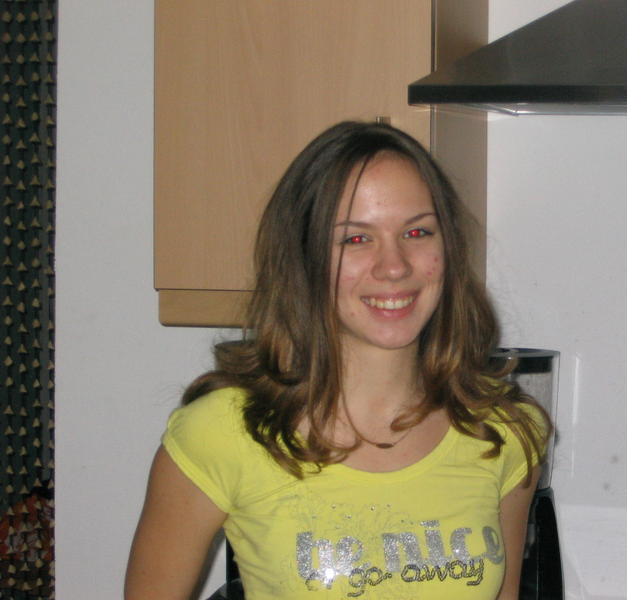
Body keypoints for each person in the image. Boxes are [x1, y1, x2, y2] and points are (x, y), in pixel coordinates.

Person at [125, 121, 551, 600]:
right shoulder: (222, 434)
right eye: (355, 239)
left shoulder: (502, 431)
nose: (395, 266)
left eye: (417, 232)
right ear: (304, 258)